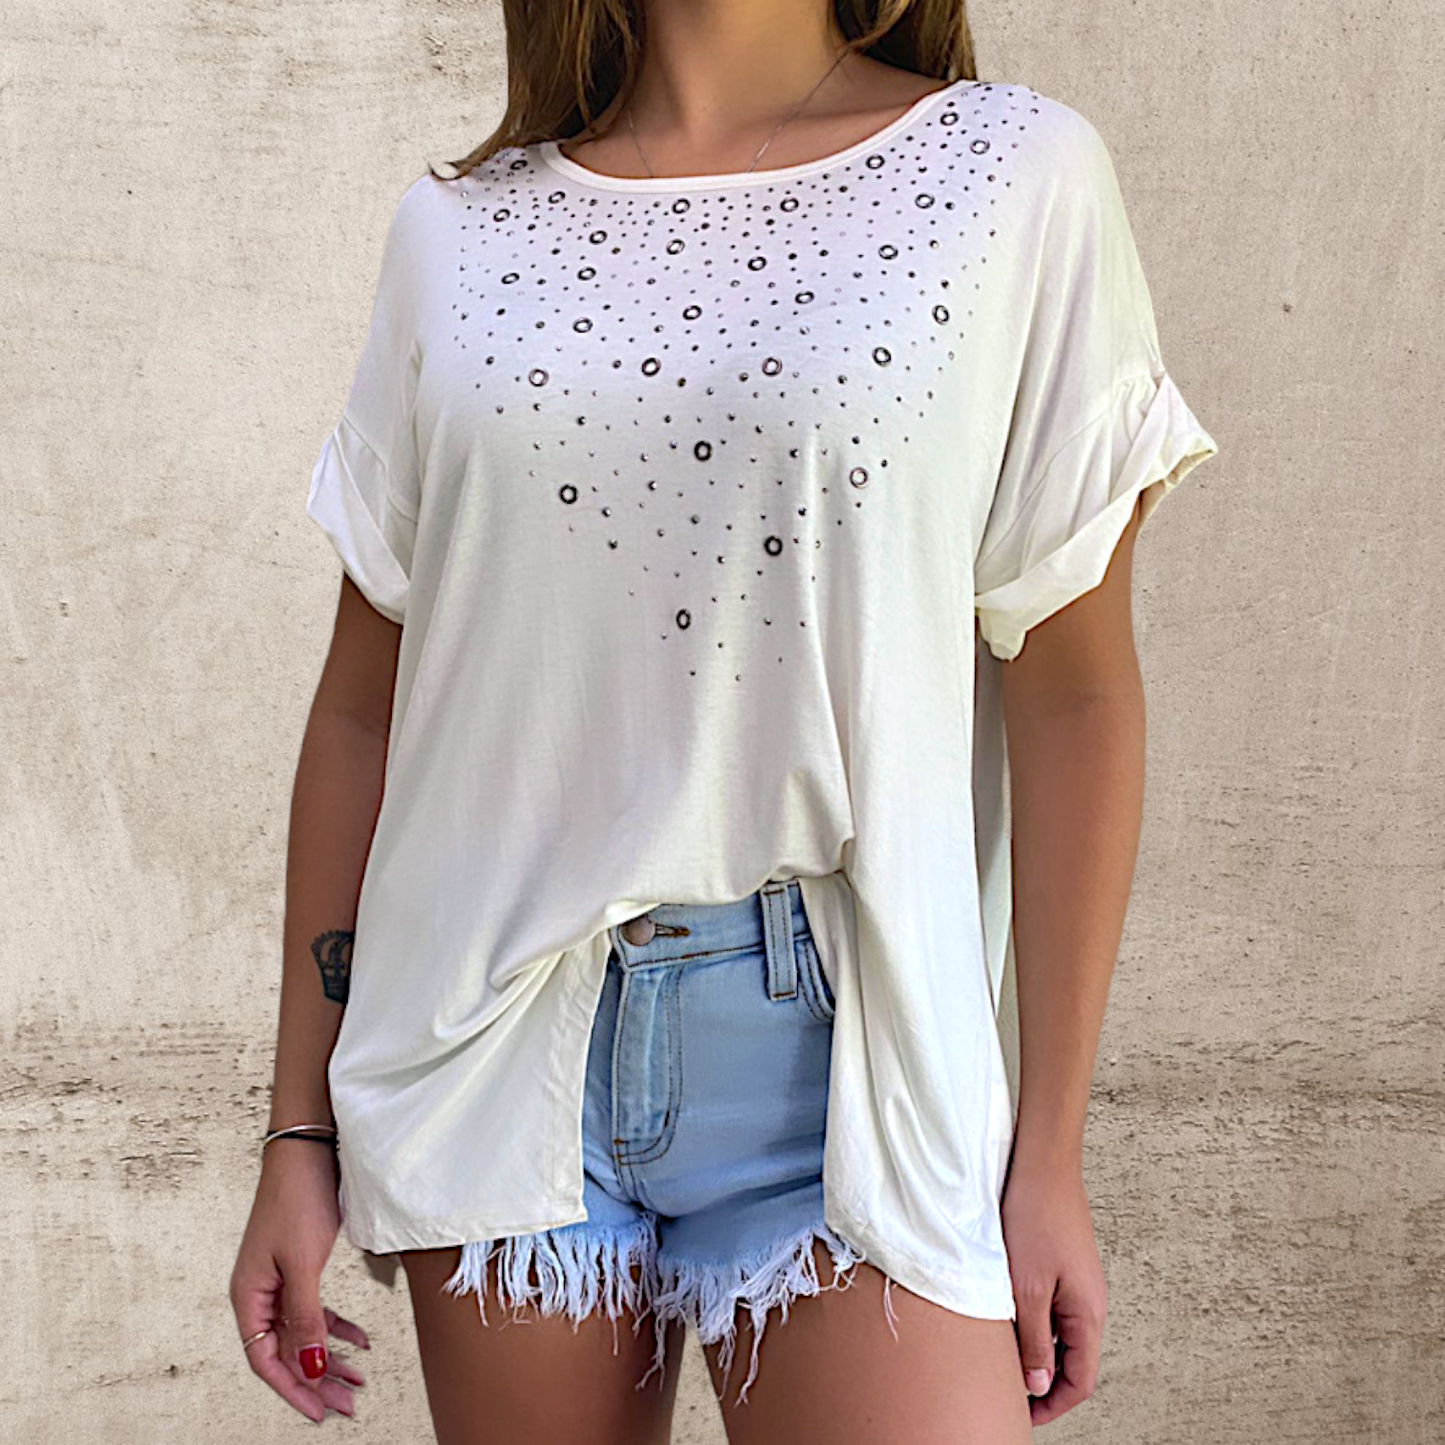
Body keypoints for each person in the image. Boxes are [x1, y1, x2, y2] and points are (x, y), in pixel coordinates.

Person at [230, 2, 1220, 1440]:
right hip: (493, 1048)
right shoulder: (458, 232)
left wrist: (1047, 1154)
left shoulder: (1013, 178)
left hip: (851, 1059)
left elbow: (1072, 690)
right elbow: (364, 714)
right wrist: (298, 1127)